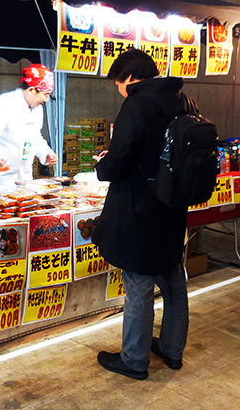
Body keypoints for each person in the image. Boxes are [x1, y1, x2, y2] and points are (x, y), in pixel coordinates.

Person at [91, 49, 198, 380]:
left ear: (128, 77)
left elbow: (119, 160)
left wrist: (102, 164)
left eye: (118, 84)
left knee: (138, 285)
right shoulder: (184, 101)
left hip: (140, 211)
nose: (119, 90)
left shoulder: (137, 104)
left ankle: (134, 360)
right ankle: (171, 350)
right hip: (173, 208)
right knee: (173, 281)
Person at [0, 63, 58, 191]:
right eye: (45, 94)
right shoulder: (5, 102)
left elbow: (35, 136)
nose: (46, 99)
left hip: (23, 180)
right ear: (31, 90)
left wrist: (45, 152)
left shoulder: (37, 109)